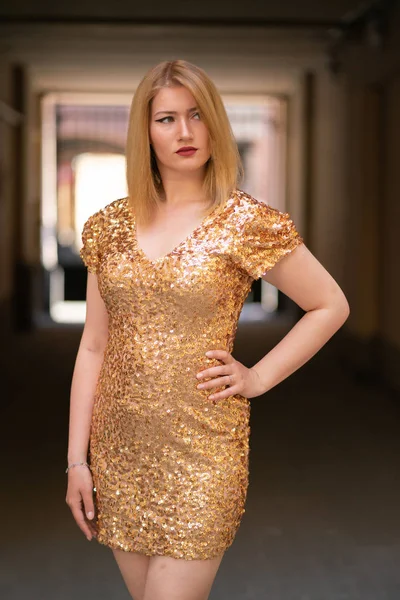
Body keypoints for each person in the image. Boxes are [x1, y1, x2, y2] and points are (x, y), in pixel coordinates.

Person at [66, 59, 350, 600]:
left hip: (203, 452)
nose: (186, 132)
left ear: (216, 123)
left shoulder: (246, 222)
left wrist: (260, 377)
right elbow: (93, 347)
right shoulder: (108, 226)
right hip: (117, 455)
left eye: (197, 115)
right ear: (144, 132)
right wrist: (77, 460)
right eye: (167, 119)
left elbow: (329, 304)